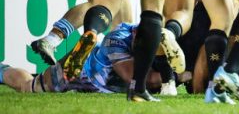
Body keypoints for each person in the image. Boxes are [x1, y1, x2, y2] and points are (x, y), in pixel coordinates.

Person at [3, 23, 167, 95]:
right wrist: (176, 76)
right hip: (77, 70)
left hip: (101, 84)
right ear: (135, 34)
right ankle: (3, 70)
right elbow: (138, 79)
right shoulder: (117, 39)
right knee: (30, 87)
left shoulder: (161, 38)